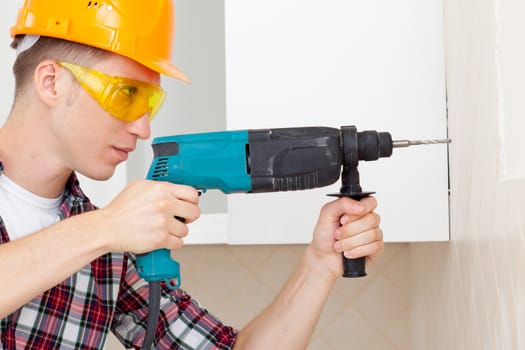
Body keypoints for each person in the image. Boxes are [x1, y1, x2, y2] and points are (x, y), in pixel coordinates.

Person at [0, 1, 384, 349]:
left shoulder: (108, 257)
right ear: (51, 82)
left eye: (150, 102)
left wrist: (319, 266)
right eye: (126, 95)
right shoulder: (103, 234)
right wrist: (103, 229)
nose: (142, 128)